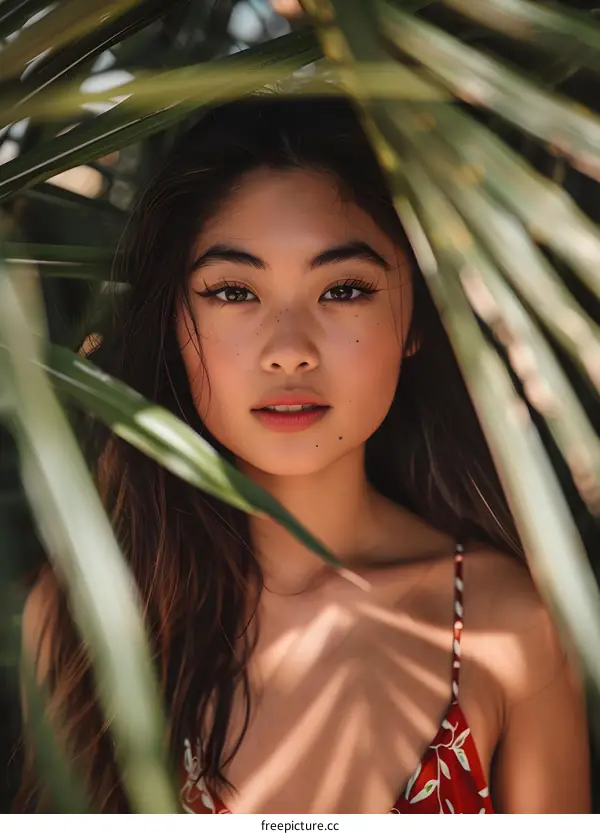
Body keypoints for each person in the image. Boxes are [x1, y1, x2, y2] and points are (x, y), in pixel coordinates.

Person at [18, 93, 590, 814]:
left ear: (414, 316)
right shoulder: (84, 619)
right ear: (173, 319)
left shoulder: (507, 623)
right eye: (234, 292)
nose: (289, 351)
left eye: (342, 289)